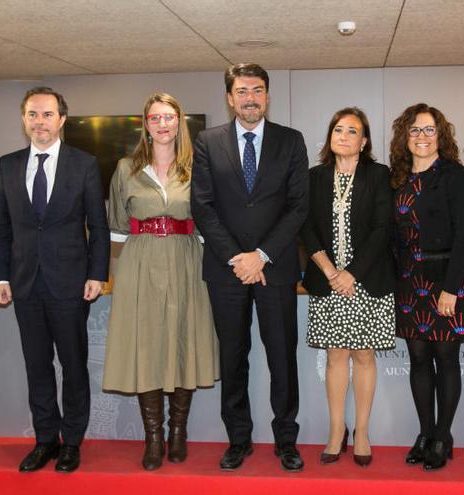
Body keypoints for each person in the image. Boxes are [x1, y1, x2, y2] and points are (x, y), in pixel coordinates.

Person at [191, 63, 309, 472]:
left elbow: (298, 206)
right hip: (225, 271)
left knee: (282, 356)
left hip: (274, 269)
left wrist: (261, 256)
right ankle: (238, 439)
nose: (250, 98)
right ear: (229, 97)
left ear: (267, 95)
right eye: (242, 91)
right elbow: (202, 207)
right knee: (233, 356)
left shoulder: (291, 142)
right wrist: (238, 258)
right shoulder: (207, 142)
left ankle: (286, 440)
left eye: (257, 90)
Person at [0, 86, 110, 473]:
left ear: (61, 119)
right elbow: (0, 228)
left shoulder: (84, 164)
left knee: (73, 364)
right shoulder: (7, 165)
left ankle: (72, 441)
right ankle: (46, 440)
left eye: (47, 115)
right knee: (36, 365)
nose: (39, 122)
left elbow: (99, 225)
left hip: (71, 283)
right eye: (32, 114)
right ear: (23, 119)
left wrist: (97, 274)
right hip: (24, 283)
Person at [102, 92, 219, 470]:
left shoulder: (199, 168)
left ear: (179, 122)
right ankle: (153, 436)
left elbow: (208, 223)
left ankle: (177, 431)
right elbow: (118, 226)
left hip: (187, 260)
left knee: (185, 340)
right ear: (146, 125)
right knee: (147, 345)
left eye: (169, 117)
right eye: (155, 118)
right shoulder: (125, 168)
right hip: (140, 263)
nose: (163, 124)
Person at [390, 103, 464, 472]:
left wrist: (451, 288)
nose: (422, 137)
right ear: (405, 137)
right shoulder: (396, 178)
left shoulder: (454, 175)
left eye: (429, 130)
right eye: (414, 130)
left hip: (448, 281)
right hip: (410, 282)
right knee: (417, 359)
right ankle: (425, 432)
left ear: (441, 136)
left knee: (445, 359)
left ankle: (443, 435)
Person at [301, 107, 396, 467]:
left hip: (367, 282)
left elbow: (381, 229)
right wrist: (329, 270)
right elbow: (305, 227)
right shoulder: (314, 177)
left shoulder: (379, 175)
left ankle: (363, 432)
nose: (343, 136)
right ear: (329, 137)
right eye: (337, 130)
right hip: (327, 283)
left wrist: (351, 274)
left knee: (364, 355)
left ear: (364, 140)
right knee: (336, 355)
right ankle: (336, 431)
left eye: (352, 131)